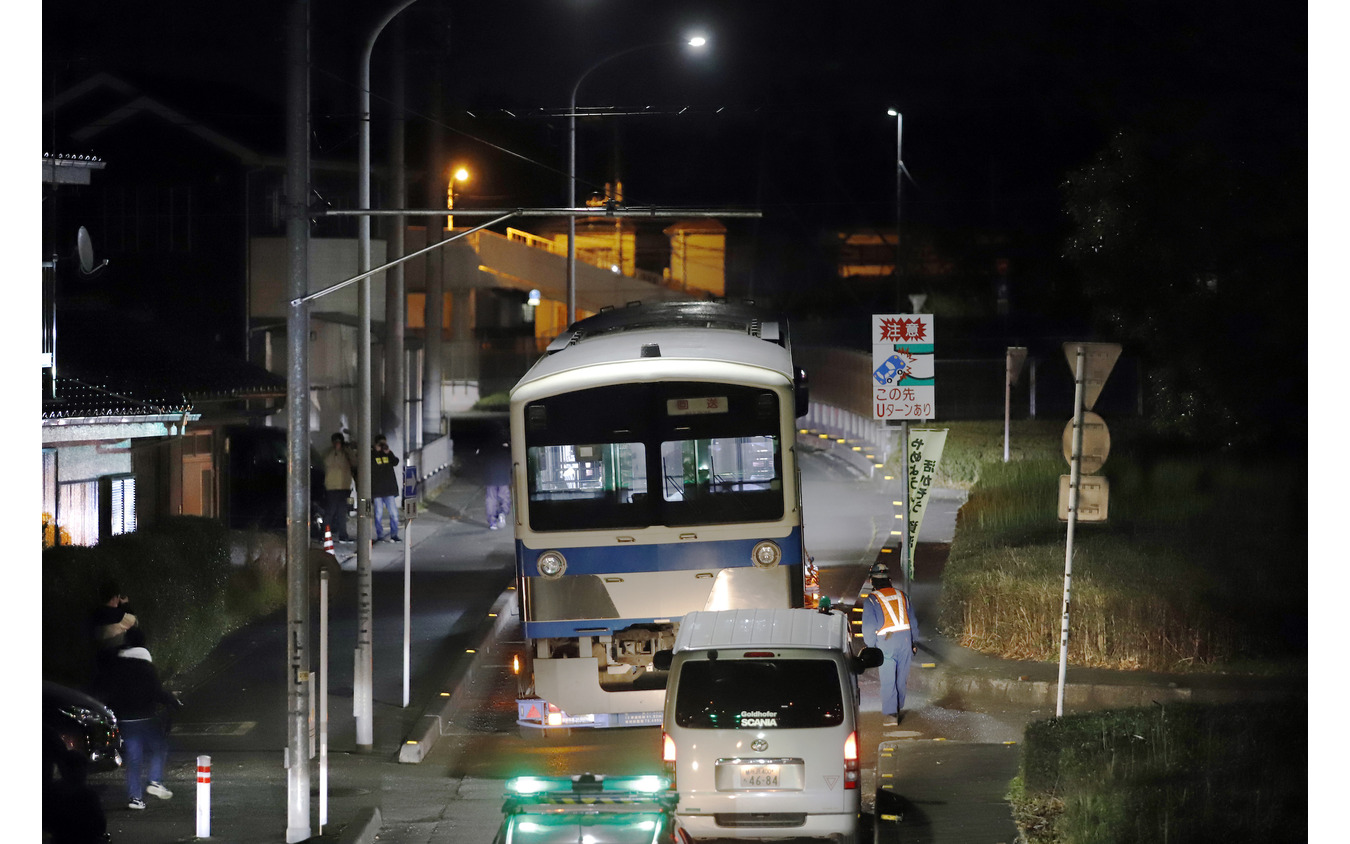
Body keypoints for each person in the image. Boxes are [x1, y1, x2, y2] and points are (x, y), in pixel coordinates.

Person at [97, 627, 181, 811]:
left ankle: (135, 798)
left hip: (125, 720)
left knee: (134, 759)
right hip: (146, 718)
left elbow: (109, 692)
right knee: (159, 747)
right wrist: (172, 700)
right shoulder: (146, 667)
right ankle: (155, 781)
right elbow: (156, 692)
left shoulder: (115, 666)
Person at [860, 562, 919, 725]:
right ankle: (898, 706)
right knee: (901, 678)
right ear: (889, 579)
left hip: (885, 642)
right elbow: (913, 621)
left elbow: (869, 628)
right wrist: (913, 641)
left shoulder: (872, 600)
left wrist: (872, 647)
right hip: (906, 639)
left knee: (888, 679)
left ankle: (891, 714)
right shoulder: (902, 596)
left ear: (872, 581)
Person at [90, 580, 137, 684]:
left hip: (96, 664)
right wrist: (125, 605)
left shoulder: (93, 614)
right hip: (115, 665)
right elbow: (135, 622)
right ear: (115, 598)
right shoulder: (120, 617)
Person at [323, 432, 356, 542]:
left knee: (342, 513)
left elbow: (355, 462)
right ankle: (325, 534)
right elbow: (326, 463)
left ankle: (343, 535)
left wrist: (347, 450)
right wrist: (335, 451)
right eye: (336, 442)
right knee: (330, 512)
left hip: (344, 487)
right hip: (332, 487)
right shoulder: (329, 453)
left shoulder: (346, 453)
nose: (338, 444)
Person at [371, 434, 402, 542]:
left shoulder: (388, 453)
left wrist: (388, 452)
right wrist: (376, 451)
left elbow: (396, 462)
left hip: (389, 490)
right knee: (378, 514)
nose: (383, 445)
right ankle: (380, 535)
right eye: (381, 443)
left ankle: (394, 534)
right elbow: (369, 466)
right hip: (377, 490)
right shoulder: (371, 454)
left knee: (394, 514)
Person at [482, 423, 511, 530]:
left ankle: (492, 521)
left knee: (491, 498)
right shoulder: (506, 444)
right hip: (503, 474)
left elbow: (480, 455)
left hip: (490, 475)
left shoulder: (487, 443)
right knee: (504, 496)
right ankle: (502, 513)